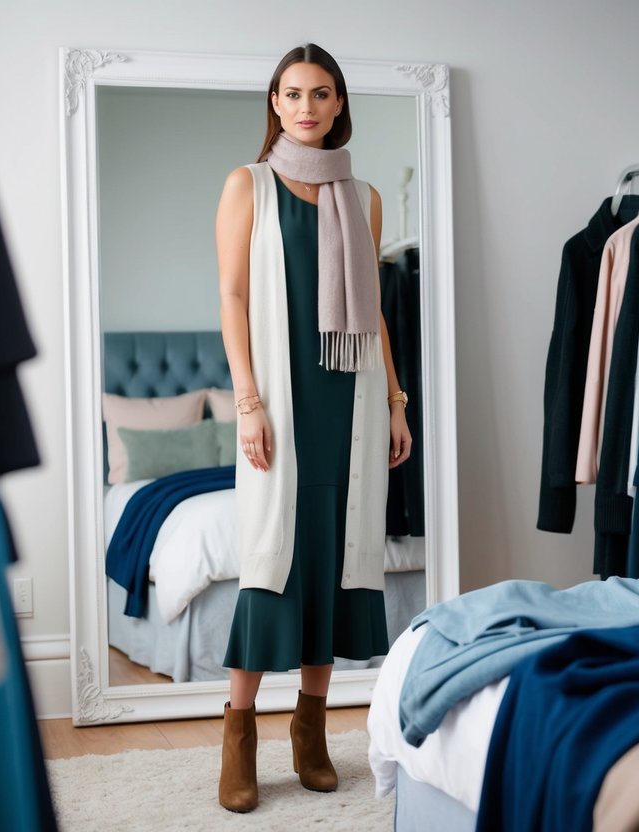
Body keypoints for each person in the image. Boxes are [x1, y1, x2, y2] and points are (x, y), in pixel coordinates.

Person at [213, 43, 413, 813]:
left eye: (320, 93)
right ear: (274, 102)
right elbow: (232, 299)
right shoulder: (248, 186)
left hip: (350, 399)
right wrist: (248, 401)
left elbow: (373, 313)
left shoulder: (361, 196)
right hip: (279, 399)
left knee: (333, 553)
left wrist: (396, 400)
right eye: (292, 93)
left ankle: (311, 730)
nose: (306, 105)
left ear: (337, 105)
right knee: (273, 563)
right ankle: (238, 735)